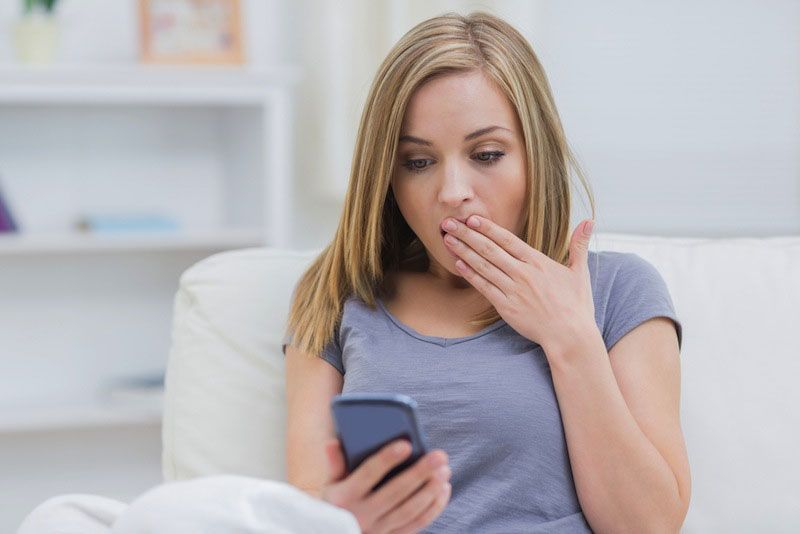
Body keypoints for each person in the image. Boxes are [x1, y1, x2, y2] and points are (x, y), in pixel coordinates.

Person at [283, 10, 691, 534]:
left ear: (534, 157)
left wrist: (570, 338)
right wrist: (347, 515)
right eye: (417, 162)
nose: (453, 191)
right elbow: (304, 513)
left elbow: (650, 527)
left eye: (487, 153)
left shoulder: (619, 290)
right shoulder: (337, 296)